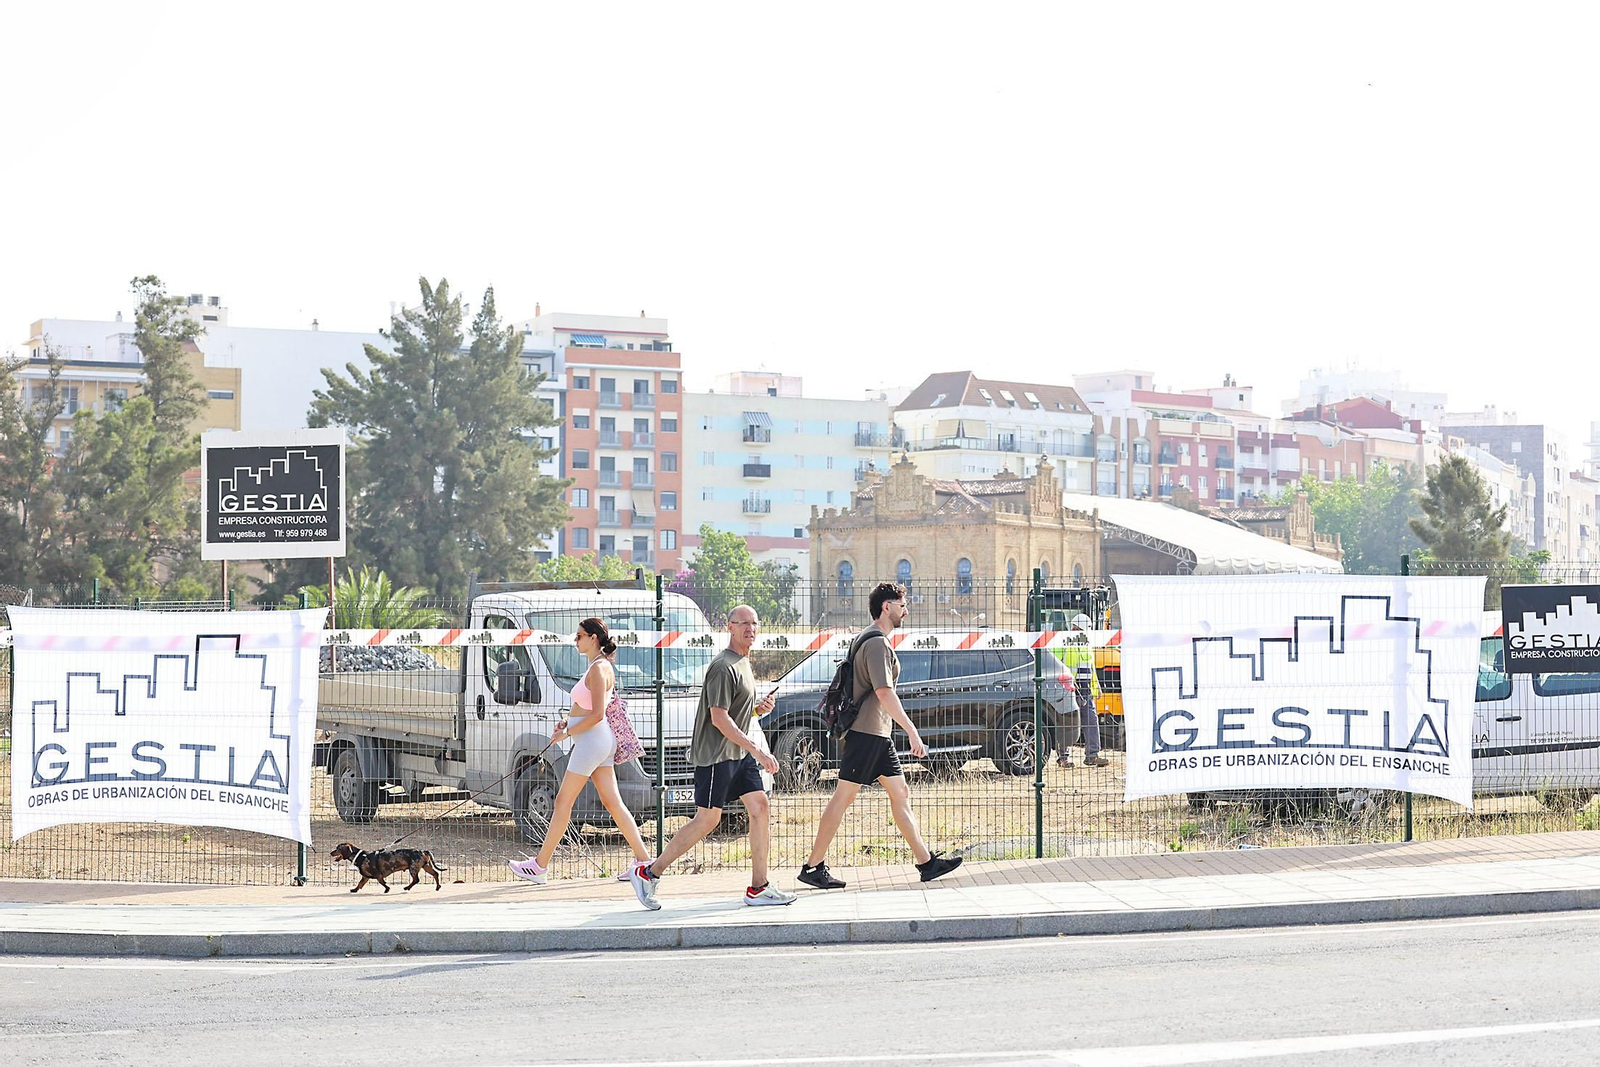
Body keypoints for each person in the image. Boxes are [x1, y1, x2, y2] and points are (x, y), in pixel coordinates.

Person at [628, 604, 796, 910]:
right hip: (717, 756)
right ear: (729, 627)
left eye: (754, 623)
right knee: (707, 820)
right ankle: (649, 873)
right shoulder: (722, 666)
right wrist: (757, 750)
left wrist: (757, 710)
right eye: (743, 623)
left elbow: (735, 713)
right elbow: (719, 718)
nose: (750, 628)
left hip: (738, 754)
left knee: (760, 807)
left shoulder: (743, 662)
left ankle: (759, 887)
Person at [797, 581, 962, 891]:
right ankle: (813, 866)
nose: (906, 611)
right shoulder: (876, 644)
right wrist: (912, 731)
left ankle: (926, 863)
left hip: (877, 733)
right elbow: (884, 692)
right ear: (887, 607)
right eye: (902, 605)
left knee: (900, 793)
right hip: (867, 733)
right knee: (842, 798)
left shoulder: (870, 638)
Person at [508, 617, 653, 885]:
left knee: (563, 801)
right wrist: (568, 723)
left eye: (579, 636)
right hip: (597, 741)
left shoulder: (598, 669)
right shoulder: (599, 666)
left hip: (592, 742)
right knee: (613, 803)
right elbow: (587, 709)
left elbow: (597, 714)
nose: (575, 641)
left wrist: (567, 732)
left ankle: (540, 866)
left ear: (593, 638)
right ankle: (644, 861)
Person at [1054, 613, 1109, 769]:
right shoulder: (1062, 642)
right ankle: (1063, 758)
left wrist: (1096, 686)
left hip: (1085, 690)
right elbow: (1055, 663)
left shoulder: (1087, 645)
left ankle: (1092, 755)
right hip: (1068, 689)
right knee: (1067, 722)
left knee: (1091, 720)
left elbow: (1091, 668)